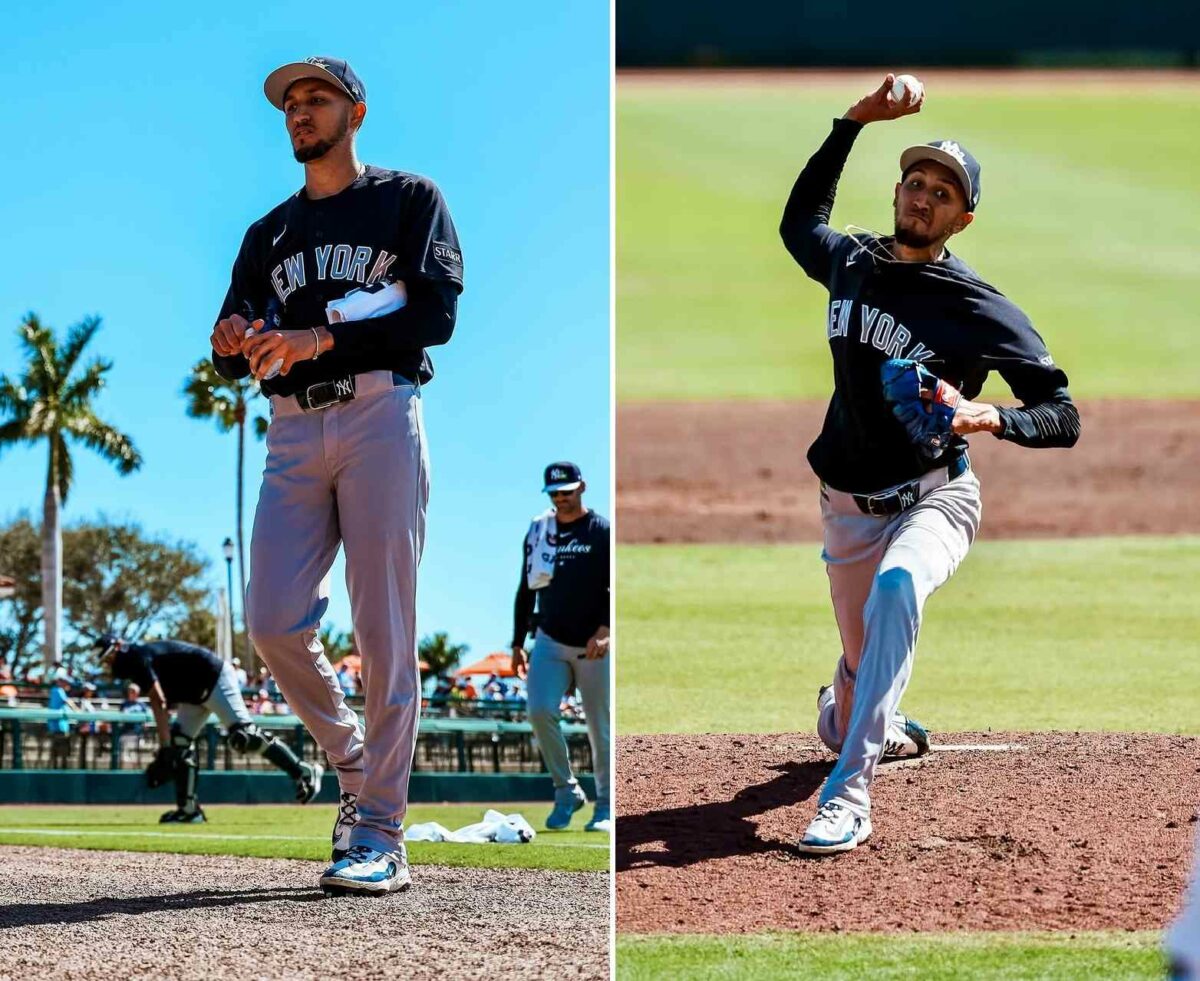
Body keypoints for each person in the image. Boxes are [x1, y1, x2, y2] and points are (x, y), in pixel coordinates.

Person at [778, 74, 1080, 855]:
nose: (923, 197)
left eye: (943, 192)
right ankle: (862, 718)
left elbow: (1062, 410)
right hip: (845, 504)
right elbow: (797, 223)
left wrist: (997, 417)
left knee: (899, 586)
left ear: (963, 216)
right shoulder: (852, 261)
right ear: (898, 191)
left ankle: (848, 794)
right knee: (856, 675)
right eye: (915, 182)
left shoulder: (973, 304)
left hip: (935, 497)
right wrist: (852, 121)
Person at [208, 55, 463, 896]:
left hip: (380, 411)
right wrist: (230, 338)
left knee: (384, 626)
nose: (299, 112)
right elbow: (236, 337)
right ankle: (354, 762)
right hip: (290, 429)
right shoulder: (266, 234)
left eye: (316, 99)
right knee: (272, 620)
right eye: (290, 103)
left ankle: (381, 829)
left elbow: (434, 316)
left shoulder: (408, 199)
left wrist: (322, 339)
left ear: (357, 111)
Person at [93, 635, 323, 824]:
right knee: (179, 744)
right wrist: (168, 746)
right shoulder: (136, 661)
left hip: (214, 679)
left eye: (109, 657)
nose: (109, 663)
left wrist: (163, 747)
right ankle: (189, 810)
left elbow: (158, 701)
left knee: (244, 737)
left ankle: (303, 770)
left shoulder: (137, 657)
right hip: (193, 695)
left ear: (119, 647)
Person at [512, 462, 611, 832]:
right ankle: (566, 789)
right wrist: (517, 643)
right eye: (555, 493)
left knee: (600, 728)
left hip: (593, 644)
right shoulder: (540, 532)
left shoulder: (600, 530)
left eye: (567, 491)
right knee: (538, 710)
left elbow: (611, 584)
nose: (561, 498)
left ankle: (605, 806)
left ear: (582, 487)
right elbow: (525, 590)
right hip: (549, 639)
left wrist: (605, 628)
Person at [47, 667, 76, 769]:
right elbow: (69, 702)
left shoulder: (56, 690)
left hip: (60, 726)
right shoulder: (58, 690)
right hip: (59, 727)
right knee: (61, 753)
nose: (66, 683)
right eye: (64, 681)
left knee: (60, 753)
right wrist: (78, 710)